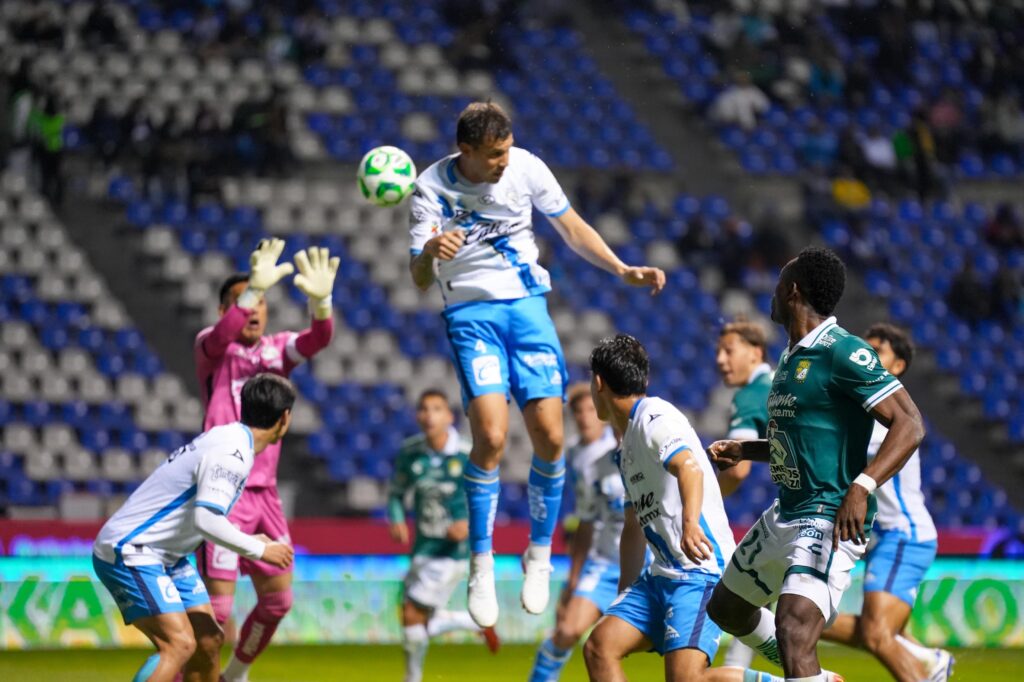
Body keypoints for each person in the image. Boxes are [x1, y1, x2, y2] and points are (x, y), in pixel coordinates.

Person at [408, 101, 665, 627]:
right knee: (493, 438)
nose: (505, 161)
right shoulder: (429, 188)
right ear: (467, 151)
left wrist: (621, 268)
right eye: (495, 155)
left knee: (550, 437)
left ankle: (539, 554)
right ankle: (481, 561)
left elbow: (571, 227)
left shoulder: (525, 167)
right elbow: (417, 277)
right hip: (471, 314)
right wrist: (431, 249)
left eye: (507, 150)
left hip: (528, 311)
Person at [705, 247, 926, 682]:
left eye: (777, 283)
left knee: (793, 627)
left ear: (792, 291)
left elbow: (910, 423)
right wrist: (745, 450)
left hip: (829, 515)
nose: (770, 292)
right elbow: (804, 440)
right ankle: (814, 678)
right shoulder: (791, 356)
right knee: (726, 608)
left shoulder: (842, 351)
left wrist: (861, 486)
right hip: (786, 510)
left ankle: (803, 668)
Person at [582, 334, 789, 682]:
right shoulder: (626, 444)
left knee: (686, 680)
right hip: (659, 577)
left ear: (598, 383)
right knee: (599, 647)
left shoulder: (654, 416)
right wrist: (626, 593)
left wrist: (691, 523)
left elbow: (689, 467)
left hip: (698, 570)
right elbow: (634, 525)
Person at [194, 239, 337, 682]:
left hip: (266, 498)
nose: (254, 309)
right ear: (224, 311)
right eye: (242, 302)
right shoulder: (212, 350)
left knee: (278, 602)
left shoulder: (276, 351)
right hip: (224, 493)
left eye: (260, 302)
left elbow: (318, 339)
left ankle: (236, 674)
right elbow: (221, 336)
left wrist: (321, 303)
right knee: (217, 611)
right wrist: (252, 287)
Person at [93, 374, 297, 682]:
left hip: (166, 556)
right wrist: (260, 549)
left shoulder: (228, 438)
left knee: (207, 641)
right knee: (178, 644)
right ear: (284, 418)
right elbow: (207, 520)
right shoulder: (233, 455)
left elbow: (204, 513)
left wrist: (249, 538)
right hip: (131, 550)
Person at [821, 324, 953, 681]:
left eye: (878, 350)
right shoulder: (869, 409)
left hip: (905, 535)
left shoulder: (886, 416)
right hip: (887, 539)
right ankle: (924, 658)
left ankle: (929, 665)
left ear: (897, 367)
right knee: (876, 632)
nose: (868, 356)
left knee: (876, 634)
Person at [387, 389, 500, 682]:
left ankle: (412, 678)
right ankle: (475, 624)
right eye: (424, 409)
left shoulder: (466, 454)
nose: (429, 415)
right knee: (415, 616)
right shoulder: (410, 452)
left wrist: (470, 526)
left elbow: (488, 497)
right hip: (422, 547)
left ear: (449, 416)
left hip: (452, 552)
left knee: (413, 614)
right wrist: (398, 518)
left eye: (437, 409)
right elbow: (396, 493)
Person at [529, 384, 619, 681]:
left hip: (646, 562)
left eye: (590, 410)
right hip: (605, 560)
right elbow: (586, 519)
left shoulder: (621, 447)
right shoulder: (579, 456)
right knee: (567, 630)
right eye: (577, 411)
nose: (584, 417)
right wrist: (572, 576)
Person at [714, 321, 772, 670]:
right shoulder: (782, 381)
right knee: (754, 590)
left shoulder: (751, 394)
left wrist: (701, 500)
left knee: (736, 593)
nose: (721, 360)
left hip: (817, 507)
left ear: (755, 353)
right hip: (841, 495)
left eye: (729, 350)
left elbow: (736, 468)